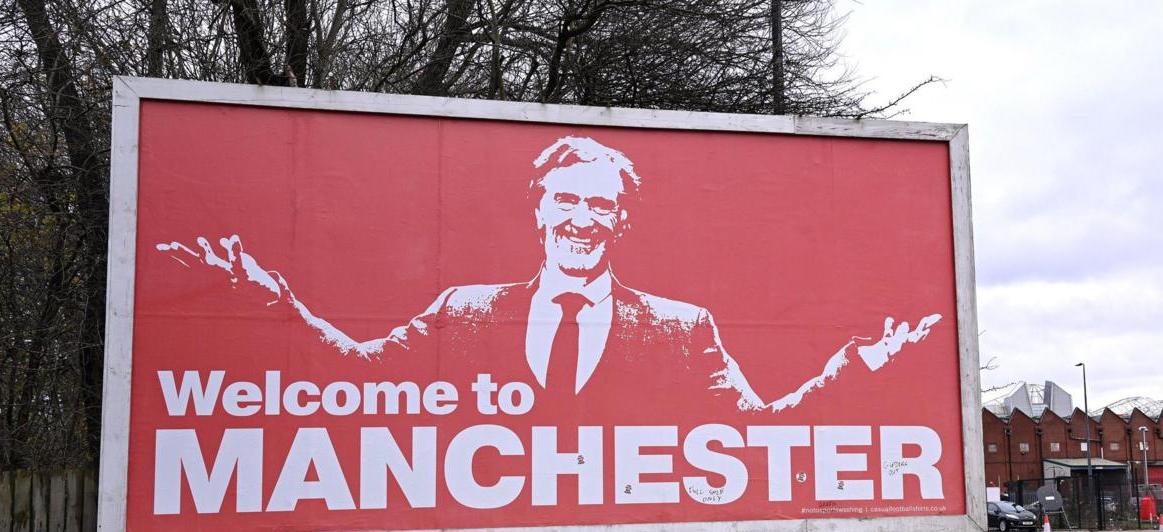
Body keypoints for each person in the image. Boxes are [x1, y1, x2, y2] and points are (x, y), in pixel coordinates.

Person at [159, 136, 939, 414]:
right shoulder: (463, 310)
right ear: (537, 210)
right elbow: (358, 378)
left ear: (621, 222)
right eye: (564, 200)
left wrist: (855, 367)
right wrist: (278, 303)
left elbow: (755, 429)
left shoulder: (680, 326)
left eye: (599, 205)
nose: (579, 219)